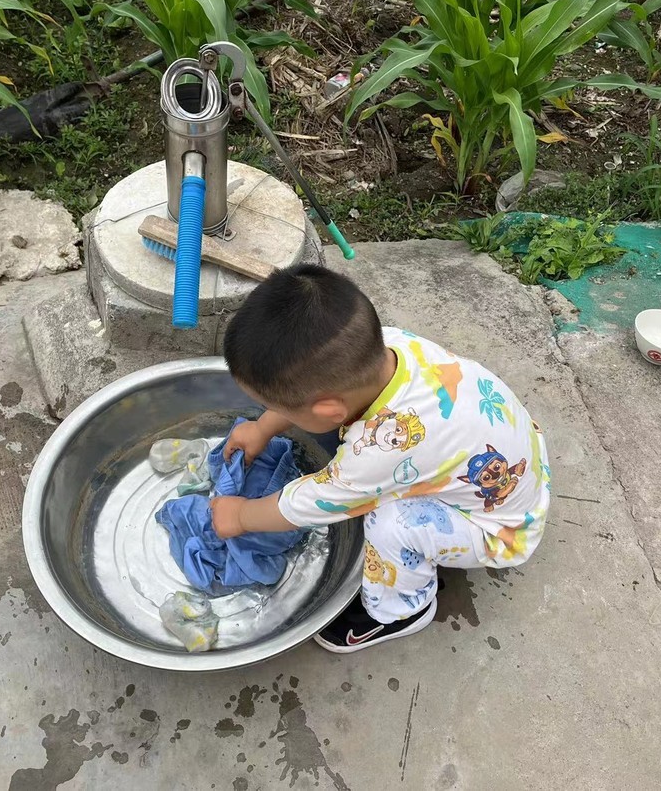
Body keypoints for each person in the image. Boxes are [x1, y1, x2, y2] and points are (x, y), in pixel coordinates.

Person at [211, 264, 550, 652]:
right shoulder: (390, 344)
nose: (264, 411)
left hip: (500, 525)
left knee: (388, 522)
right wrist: (262, 428)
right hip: (517, 455)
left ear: (328, 410)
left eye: (266, 406)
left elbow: (309, 503)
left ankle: (404, 609)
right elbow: (317, 406)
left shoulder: (374, 455)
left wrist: (240, 516)